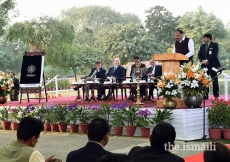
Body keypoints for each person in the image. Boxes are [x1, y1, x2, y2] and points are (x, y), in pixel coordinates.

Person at [198, 33, 221, 99]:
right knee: (205, 80)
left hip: (213, 65)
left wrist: (207, 60)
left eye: (205, 38)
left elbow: (214, 54)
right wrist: (203, 61)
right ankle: (205, 95)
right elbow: (199, 55)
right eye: (203, 38)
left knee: (214, 79)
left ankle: (216, 94)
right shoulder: (202, 46)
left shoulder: (215, 45)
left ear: (209, 38)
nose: (204, 39)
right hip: (204, 66)